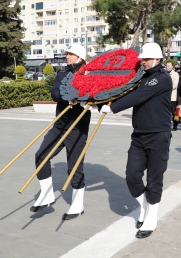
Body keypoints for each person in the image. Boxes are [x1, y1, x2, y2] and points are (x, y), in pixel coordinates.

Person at [100, 42, 172, 239]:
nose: (144, 62)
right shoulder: (142, 78)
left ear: (158, 59)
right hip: (139, 135)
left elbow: (139, 96)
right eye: (143, 59)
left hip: (158, 135)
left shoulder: (162, 79)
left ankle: (151, 218)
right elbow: (126, 90)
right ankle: (144, 206)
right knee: (132, 175)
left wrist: (112, 108)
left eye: (147, 59)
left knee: (154, 178)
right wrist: (97, 99)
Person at [32, 44, 91, 220]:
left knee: (74, 167)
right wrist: (69, 94)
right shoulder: (62, 74)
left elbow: (94, 96)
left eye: (71, 54)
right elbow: (55, 94)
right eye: (67, 54)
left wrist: (81, 98)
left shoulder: (88, 76)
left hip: (77, 128)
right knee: (41, 155)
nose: (67, 56)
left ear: (80, 58)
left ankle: (77, 204)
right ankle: (47, 194)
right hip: (59, 125)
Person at [165, 62, 180, 131]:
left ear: (172, 67)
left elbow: (175, 85)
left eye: (168, 66)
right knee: (166, 112)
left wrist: (166, 89)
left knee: (174, 112)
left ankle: (175, 125)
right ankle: (167, 125)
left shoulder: (175, 74)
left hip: (172, 97)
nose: (167, 67)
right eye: (166, 65)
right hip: (165, 97)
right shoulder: (165, 74)